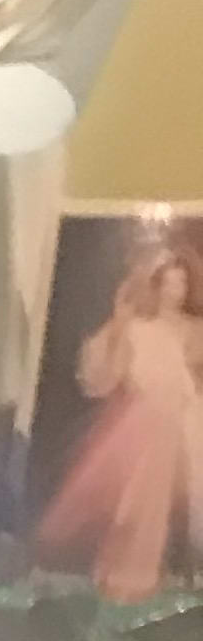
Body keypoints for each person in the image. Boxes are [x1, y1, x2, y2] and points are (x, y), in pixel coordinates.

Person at [36, 242, 203, 602]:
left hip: (186, 423)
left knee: (180, 514)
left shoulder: (193, 330)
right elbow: (106, 377)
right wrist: (119, 321)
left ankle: (168, 580)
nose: (176, 292)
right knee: (132, 510)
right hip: (145, 425)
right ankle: (121, 582)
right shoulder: (136, 328)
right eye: (169, 283)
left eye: (182, 284)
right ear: (156, 286)